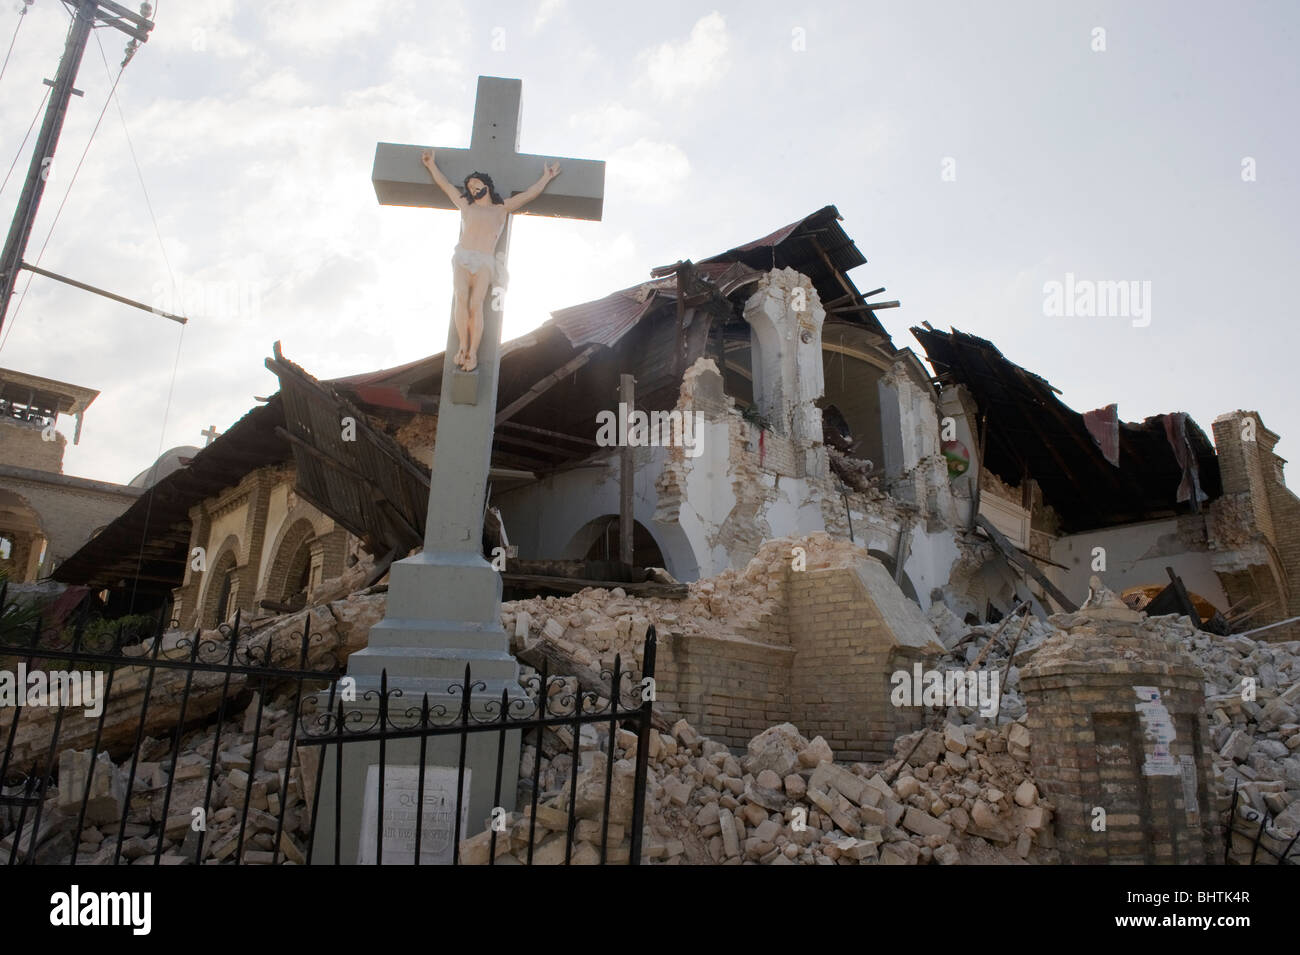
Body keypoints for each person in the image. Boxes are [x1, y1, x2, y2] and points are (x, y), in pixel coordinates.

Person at [421, 149, 560, 371]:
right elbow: (446, 185)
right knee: (461, 298)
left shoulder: (502, 208)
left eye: (476, 185)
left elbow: (530, 194)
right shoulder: (466, 206)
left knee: (476, 305)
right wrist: (430, 166)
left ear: (486, 185)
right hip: (463, 256)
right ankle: (462, 347)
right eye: (469, 187)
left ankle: (472, 353)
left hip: (485, 261)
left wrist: (547, 176)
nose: (473, 189)